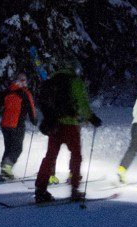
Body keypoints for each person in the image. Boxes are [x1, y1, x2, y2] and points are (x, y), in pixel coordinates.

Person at [36, 63, 101, 203]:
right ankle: (74, 189)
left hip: (54, 123)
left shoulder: (52, 80)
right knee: (76, 156)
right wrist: (91, 117)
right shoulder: (74, 80)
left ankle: (40, 190)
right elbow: (82, 102)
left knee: (50, 157)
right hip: (70, 124)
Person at [0, 73, 39, 181]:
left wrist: (3, 112)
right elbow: (31, 108)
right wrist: (34, 120)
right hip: (17, 125)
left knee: (9, 147)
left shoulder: (7, 91)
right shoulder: (25, 93)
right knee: (17, 148)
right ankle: (6, 169)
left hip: (5, 124)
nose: (24, 82)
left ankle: (4, 170)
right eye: (23, 80)